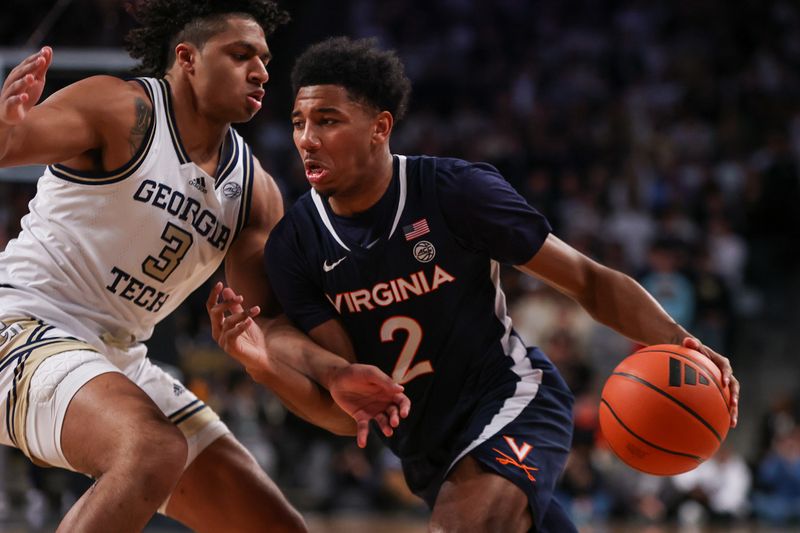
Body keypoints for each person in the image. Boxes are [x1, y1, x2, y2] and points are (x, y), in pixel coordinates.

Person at [211, 37, 740, 532]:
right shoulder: (295, 245)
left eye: (328, 120)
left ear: (380, 127)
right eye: (300, 121)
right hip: (425, 447)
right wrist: (270, 364)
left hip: (511, 396)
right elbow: (346, 406)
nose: (307, 138)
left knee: (464, 525)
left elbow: (589, 281)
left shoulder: (455, 192)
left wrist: (680, 342)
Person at [0, 3, 409, 531]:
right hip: (23, 325)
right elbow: (12, 144)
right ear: (187, 58)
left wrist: (333, 373)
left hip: (117, 356)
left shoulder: (255, 192)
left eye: (264, 58)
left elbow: (267, 327)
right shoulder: (122, 108)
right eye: (240, 55)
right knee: (151, 448)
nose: (260, 70)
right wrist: (6, 125)